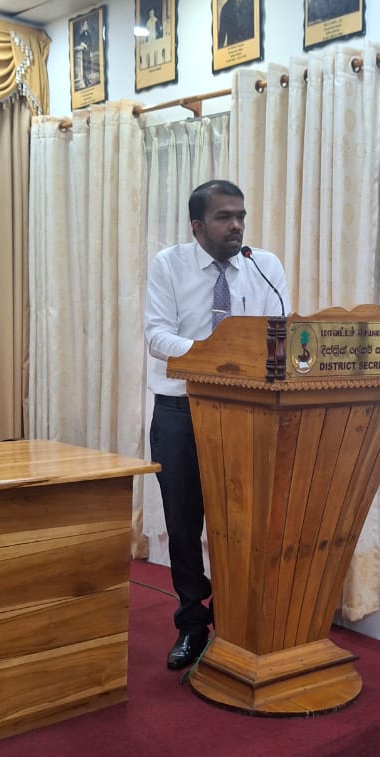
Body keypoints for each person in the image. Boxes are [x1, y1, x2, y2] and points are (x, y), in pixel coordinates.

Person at [144, 180, 290, 671]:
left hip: (245, 413)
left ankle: (234, 619)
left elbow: (279, 335)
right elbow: (157, 336)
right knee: (183, 523)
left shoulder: (264, 266)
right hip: (181, 411)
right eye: (224, 217)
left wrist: (242, 363)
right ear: (198, 226)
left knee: (240, 523)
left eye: (240, 216)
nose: (236, 226)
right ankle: (191, 623)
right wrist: (217, 357)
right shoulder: (169, 265)